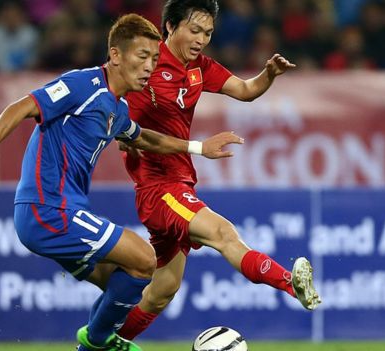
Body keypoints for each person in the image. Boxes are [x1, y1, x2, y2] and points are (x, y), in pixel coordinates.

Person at [0, 13, 243, 351]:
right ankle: (98, 343)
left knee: (123, 279)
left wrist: (199, 148)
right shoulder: (83, 85)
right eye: (142, 57)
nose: (150, 67)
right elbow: (21, 106)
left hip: (64, 211)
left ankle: (97, 342)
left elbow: (144, 138)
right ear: (116, 55)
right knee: (145, 258)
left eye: (155, 59)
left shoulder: (116, 109)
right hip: (47, 209)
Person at [116, 0, 322, 341]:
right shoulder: (146, 67)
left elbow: (245, 90)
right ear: (170, 26)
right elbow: (127, 132)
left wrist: (268, 74)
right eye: (194, 30)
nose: (201, 39)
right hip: (158, 189)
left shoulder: (199, 67)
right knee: (223, 233)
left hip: (179, 184)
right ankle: (290, 283)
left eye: (208, 33)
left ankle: (102, 344)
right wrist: (190, 146)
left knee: (162, 290)